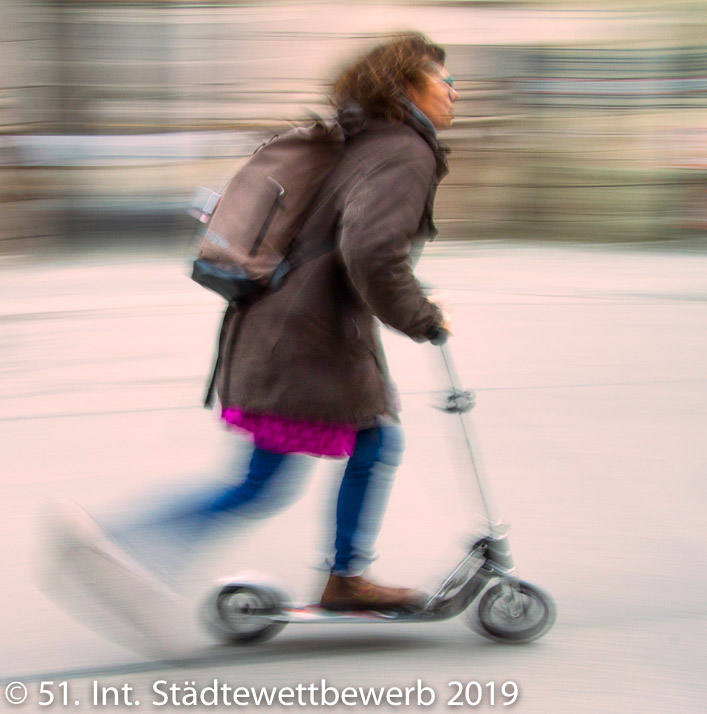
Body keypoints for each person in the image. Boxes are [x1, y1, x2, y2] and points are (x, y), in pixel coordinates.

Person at [57, 32, 460, 614]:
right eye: (442, 78)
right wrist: (423, 317)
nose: (454, 90)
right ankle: (118, 540)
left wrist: (411, 302)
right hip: (304, 342)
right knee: (281, 477)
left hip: (281, 333)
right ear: (406, 87)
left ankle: (344, 577)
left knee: (346, 452)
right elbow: (370, 249)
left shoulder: (362, 141)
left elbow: (350, 245)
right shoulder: (402, 150)